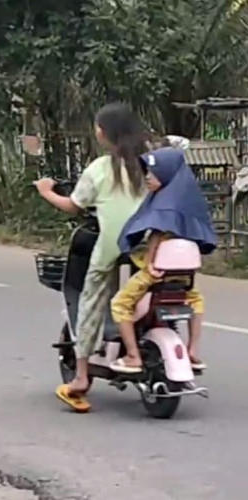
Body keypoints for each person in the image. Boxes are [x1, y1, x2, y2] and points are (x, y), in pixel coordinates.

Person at [35, 102, 148, 412]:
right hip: (149, 244)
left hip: (112, 243)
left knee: (91, 299)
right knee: (146, 288)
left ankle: (81, 378)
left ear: (103, 133)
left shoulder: (100, 168)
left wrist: (46, 191)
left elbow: (74, 205)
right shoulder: (149, 163)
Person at [110, 147, 217, 373]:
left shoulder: (164, 205)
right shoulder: (188, 203)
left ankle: (132, 355)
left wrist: (149, 263)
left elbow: (157, 236)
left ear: (167, 174)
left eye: (152, 173)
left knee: (119, 305)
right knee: (196, 303)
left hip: (156, 274)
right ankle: (193, 350)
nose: (148, 177)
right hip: (183, 278)